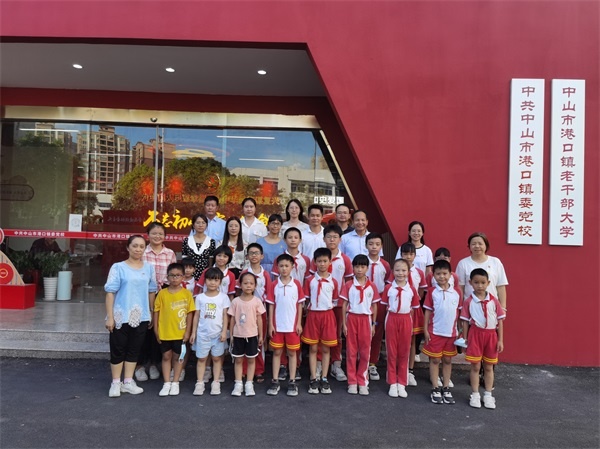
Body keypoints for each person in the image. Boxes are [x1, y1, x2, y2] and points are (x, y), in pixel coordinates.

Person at [104, 235, 158, 398]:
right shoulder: (118, 267)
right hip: (120, 316)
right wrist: (110, 316)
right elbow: (110, 293)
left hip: (141, 316)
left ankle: (128, 381)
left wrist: (150, 313)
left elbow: (151, 291)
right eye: (135, 246)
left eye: (141, 246)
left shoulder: (149, 268)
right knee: (117, 350)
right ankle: (115, 382)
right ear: (128, 247)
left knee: (134, 350)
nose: (138, 249)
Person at [310, 224, 353, 382]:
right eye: (329, 237)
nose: (332, 240)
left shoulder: (345, 259)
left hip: (338, 303)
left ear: (340, 239)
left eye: (335, 237)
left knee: (336, 334)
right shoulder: (318, 258)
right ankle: (319, 364)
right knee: (319, 336)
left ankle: (336, 363)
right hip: (320, 305)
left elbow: (348, 282)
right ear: (324, 239)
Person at [136, 222, 176, 382]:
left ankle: (153, 363)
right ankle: (139, 365)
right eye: (154, 233)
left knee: (158, 331)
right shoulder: (142, 252)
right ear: (148, 235)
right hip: (143, 294)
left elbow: (173, 275)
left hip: (164, 294)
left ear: (165, 236)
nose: (157, 236)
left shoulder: (170, 253)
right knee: (143, 329)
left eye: (160, 234)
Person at [460, 268, 506, 409]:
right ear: (470, 283)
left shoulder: (494, 301)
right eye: (476, 282)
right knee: (475, 366)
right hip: (475, 335)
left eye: (483, 282)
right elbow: (465, 322)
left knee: (489, 367)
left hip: (491, 336)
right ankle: (475, 394)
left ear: (488, 283)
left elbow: (500, 321)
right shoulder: (468, 301)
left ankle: (488, 395)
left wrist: (500, 340)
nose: (480, 285)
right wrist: (465, 339)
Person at [422, 259, 463, 405]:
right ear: (434, 276)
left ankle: (446, 387)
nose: (442, 277)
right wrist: (425, 330)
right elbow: (427, 312)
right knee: (435, 360)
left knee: (447, 360)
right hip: (435, 332)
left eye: (445, 273)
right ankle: (435, 388)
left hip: (451, 334)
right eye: (438, 274)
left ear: (450, 275)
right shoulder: (432, 292)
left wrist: (460, 331)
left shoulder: (457, 292)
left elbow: (459, 314)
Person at [266, 253, 305, 397]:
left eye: (286, 266)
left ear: (292, 267)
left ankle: (292, 381)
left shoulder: (296, 284)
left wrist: (299, 323)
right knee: (277, 353)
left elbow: (300, 305)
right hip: (278, 326)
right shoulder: (274, 285)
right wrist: (270, 324)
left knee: (292, 353)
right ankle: (275, 380)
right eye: (281, 266)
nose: (284, 268)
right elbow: (271, 305)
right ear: (277, 267)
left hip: (292, 326)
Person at [153, 263, 195, 397]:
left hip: (180, 333)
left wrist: (188, 331)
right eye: (172, 275)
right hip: (165, 332)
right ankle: (166, 383)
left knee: (178, 357)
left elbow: (190, 314)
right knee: (166, 356)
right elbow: (156, 312)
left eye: (178, 275)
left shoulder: (187, 294)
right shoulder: (162, 293)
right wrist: (156, 330)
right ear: (167, 277)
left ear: (183, 277)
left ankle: (175, 382)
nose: (174, 278)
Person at [340, 254, 380, 395]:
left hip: (366, 320)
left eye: (362, 267)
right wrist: (344, 324)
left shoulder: (372, 286)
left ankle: (362, 381)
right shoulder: (349, 285)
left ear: (367, 268)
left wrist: (373, 324)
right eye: (357, 266)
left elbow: (374, 306)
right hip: (352, 318)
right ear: (353, 268)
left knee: (364, 351)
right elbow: (344, 304)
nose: (359, 269)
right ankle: (352, 381)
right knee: (351, 351)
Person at [302, 247, 339, 395]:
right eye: (319, 261)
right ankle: (313, 377)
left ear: (330, 261)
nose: (322, 264)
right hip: (313, 316)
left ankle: (324, 377)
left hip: (327, 315)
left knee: (326, 348)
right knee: (313, 348)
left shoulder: (333, 281)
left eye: (325, 261)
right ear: (315, 262)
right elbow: (306, 299)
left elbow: (335, 300)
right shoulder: (310, 280)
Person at [382, 258, 420, 398]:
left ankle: (402, 382)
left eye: (404, 270)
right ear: (393, 271)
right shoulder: (388, 288)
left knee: (404, 351)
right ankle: (392, 382)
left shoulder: (411, 290)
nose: (400, 273)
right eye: (397, 270)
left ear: (408, 272)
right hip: (392, 318)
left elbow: (414, 309)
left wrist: (409, 323)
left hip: (405, 320)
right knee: (392, 351)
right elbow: (384, 305)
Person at [190, 267, 231, 396]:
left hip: (218, 335)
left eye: (216, 280)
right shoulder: (200, 297)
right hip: (202, 334)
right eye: (210, 279)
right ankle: (200, 382)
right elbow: (196, 315)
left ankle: (216, 382)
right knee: (202, 358)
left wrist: (224, 332)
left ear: (220, 282)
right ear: (205, 280)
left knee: (216, 358)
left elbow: (225, 316)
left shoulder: (223, 297)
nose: (212, 283)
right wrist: (193, 332)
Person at [228, 272, 266, 396]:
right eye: (245, 283)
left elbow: (259, 319)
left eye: (251, 283)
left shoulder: (257, 301)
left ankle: (249, 383)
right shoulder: (236, 301)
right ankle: (238, 383)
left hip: (252, 335)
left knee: (251, 360)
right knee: (238, 360)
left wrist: (261, 335)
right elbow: (232, 319)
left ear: (255, 286)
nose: (248, 286)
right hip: (238, 335)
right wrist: (231, 334)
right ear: (240, 285)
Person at [238, 243, 272, 383]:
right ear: (247, 256)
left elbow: (269, 294)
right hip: (245, 311)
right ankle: (244, 370)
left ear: (262, 256)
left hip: (260, 312)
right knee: (244, 339)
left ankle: (258, 370)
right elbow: (238, 292)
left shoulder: (265, 274)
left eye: (256, 253)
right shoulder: (244, 273)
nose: (254, 255)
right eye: (251, 253)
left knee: (258, 341)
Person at [456, 232, 508, 309]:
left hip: (491, 307)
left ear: (486, 245)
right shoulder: (463, 263)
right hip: (470, 307)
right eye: (473, 244)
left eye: (480, 244)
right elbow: (460, 288)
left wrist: (503, 308)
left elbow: (501, 286)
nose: (477, 246)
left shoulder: (495, 262)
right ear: (469, 246)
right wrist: (460, 307)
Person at [364, 232, 391, 382]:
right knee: (362, 332)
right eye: (371, 244)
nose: (374, 247)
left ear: (381, 246)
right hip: (363, 300)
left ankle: (372, 363)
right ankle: (361, 360)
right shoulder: (362, 262)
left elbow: (387, 284)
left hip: (379, 301)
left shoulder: (385, 265)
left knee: (377, 332)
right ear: (366, 245)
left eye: (377, 244)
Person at [400, 242, 427, 387]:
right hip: (400, 310)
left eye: (411, 254)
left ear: (415, 256)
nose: (408, 257)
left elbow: (421, 291)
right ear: (401, 255)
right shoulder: (397, 270)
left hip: (413, 310)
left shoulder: (419, 273)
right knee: (399, 341)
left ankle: (409, 370)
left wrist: (414, 301)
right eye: (405, 254)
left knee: (411, 341)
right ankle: (398, 368)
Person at [182, 213, 216, 280]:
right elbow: (184, 260)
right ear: (193, 225)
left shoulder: (211, 241)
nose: (200, 225)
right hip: (189, 276)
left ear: (206, 225)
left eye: (203, 223)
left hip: (205, 276)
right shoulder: (187, 240)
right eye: (198, 223)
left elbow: (211, 261)